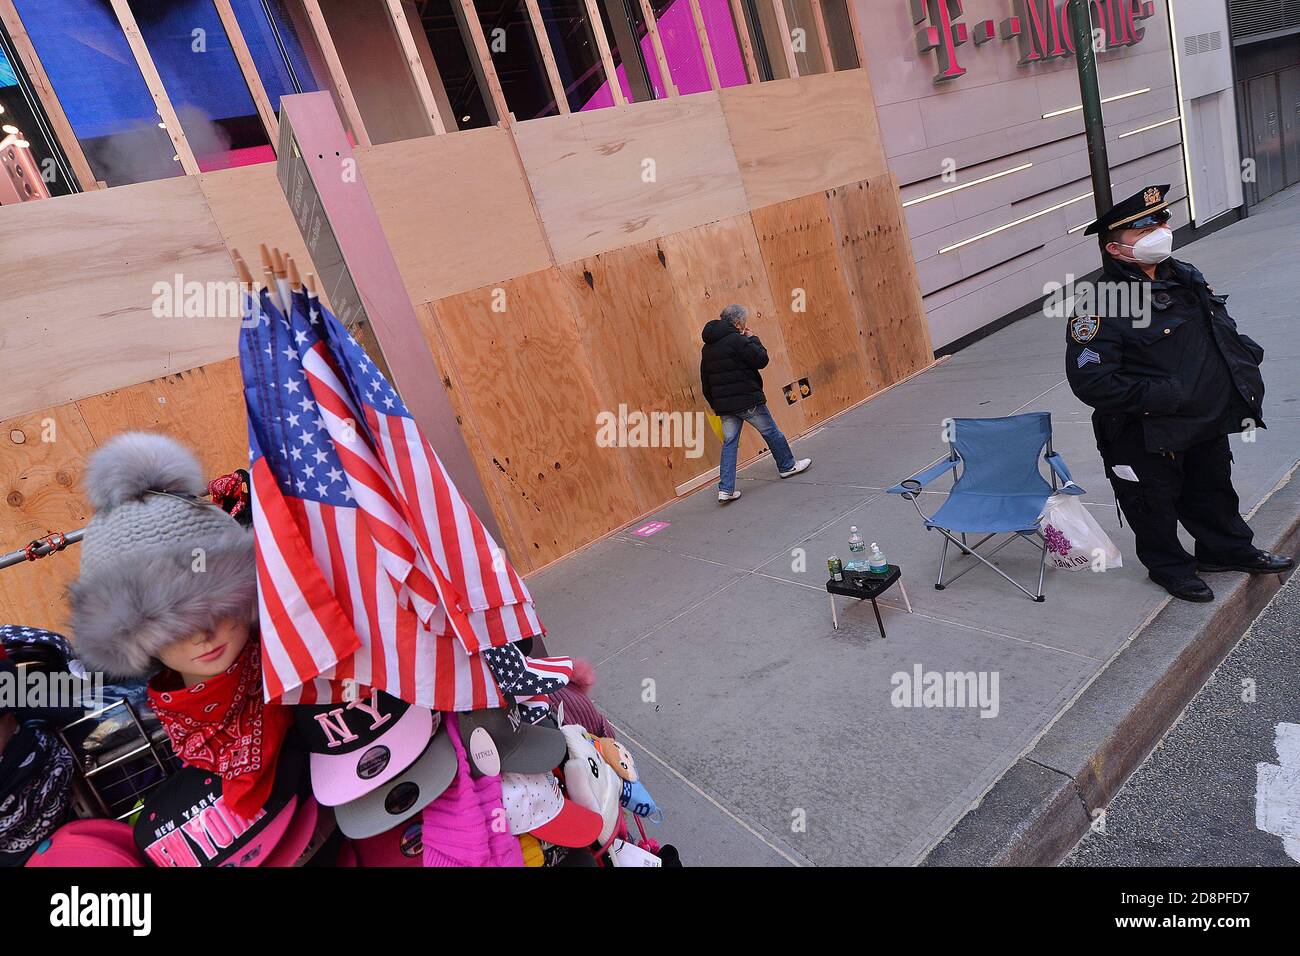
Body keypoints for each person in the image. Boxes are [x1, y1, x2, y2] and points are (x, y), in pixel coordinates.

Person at [1065, 185, 1293, 602]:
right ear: (1115, 249)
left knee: (1213, 489)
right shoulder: (1100, 303)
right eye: (1143, 228)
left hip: (1204, 416)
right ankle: (1169, 567)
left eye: (1161, 220)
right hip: (1146, 429)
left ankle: (1225, 551)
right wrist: (1169, 395)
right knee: (1153, 505)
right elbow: (1092, 382)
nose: (1159, 230)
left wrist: (1242, 356)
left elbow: (1212, 329)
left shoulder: (1183, 275)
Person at [700, 304, 811, 503]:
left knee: (730, 444)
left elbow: (705, 381)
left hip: (725, 406)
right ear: (737, 322)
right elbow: (761, 360)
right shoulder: (737, 340)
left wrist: (715, 404)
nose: (744, 326)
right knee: (771, 432)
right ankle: (787, 466)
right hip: (747, 400)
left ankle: (725, 489)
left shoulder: (707, 348)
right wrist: (752, 338)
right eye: (743, 323)